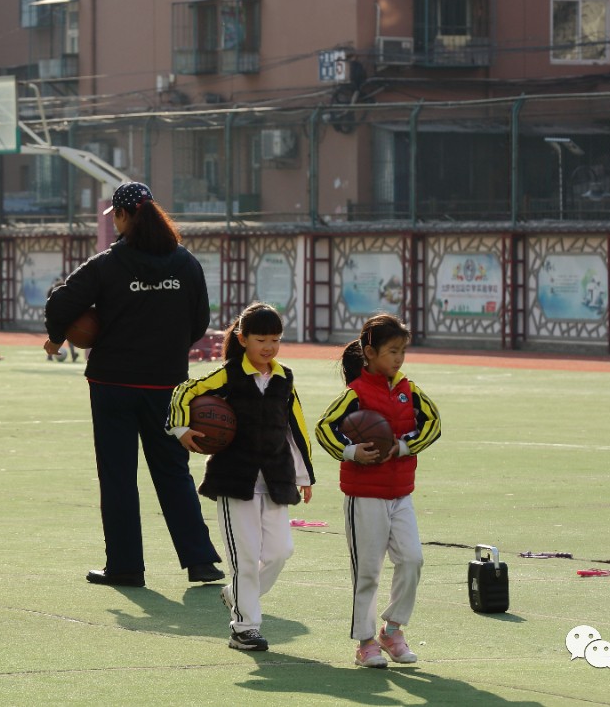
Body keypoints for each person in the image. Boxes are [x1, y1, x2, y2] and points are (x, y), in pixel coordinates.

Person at [44, 181, 223, 587]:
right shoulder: (186, 263)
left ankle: (125, 567)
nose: (116, 223)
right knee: (173, 471)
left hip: (113, 384)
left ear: (123, 216)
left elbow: (61, 302)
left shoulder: (108, 263)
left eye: (116, 217)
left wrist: (56, 337)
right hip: (166, 384)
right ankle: (200, 561)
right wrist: (169, 348)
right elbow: (200, 321)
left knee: (118, 476)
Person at [169, 302, 314, 652]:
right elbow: (185, 391)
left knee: (280, 552)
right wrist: (181, 428)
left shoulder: (284, 377)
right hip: (234, 480)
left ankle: (235, 594)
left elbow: (296, 426)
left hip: (276, 480)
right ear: (243, 339)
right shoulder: (228, 375)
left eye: (275, 339)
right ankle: (244, 628)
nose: (269, 347)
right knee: (245, 558)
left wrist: (304, 475)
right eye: (261, 339)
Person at [315, 314, 441, 669]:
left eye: (403, 351)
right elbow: (325, 428)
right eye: (392, 351)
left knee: (412, 560)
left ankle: (393, 630)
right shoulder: (355, 393)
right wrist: (351, 451)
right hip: (364, 496)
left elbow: (433, 424)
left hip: (401, 494)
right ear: (370, 353)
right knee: (367, 571)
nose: (399, 359)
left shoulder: (409, 389)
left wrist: (403, 446)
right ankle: (365, 642)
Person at [46, 279, 80, 362]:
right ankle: (73, 354)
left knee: (55, 336)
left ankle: (49, 355)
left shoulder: (52, 293)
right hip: (64, 317)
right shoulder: (66, 293)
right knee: (68, 335)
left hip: (56, 317)